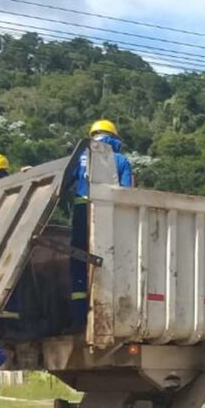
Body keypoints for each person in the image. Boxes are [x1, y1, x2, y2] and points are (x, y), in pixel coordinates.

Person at [70, 119, 133, 327]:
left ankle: (79, 317)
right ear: (114, 138)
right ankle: (107, 312)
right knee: (109, 261)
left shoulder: (80, 157)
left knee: (78, 257)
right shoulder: (121, 160)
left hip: (81, 210)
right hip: (107, 215)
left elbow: (62, 181)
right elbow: (126, 194)